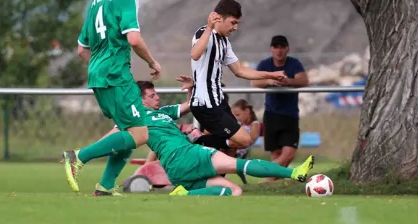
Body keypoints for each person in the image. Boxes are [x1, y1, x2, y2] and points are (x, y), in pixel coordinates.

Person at [100, 78, 315, 196]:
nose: (157, 97)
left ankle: (184, 194)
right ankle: (295, 173)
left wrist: (191, 88)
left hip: (176, 170)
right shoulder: (135, 118)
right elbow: (114, 135)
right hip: (186, 155)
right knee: (239, 164)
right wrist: (86, 154)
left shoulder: (162, 113)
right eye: (152, 95)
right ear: (141, 100)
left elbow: (189, 105)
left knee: (235, 191)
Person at [61, 0, 161, 196]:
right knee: (140, 134)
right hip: (117, 76)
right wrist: (152, 63)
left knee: (128, 129)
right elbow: (134, 40)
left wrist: (100, 66)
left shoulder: (94, 3)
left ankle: (105, 187)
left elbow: (81, 50)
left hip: (98, 76)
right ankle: (78, 156)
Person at [189, 0, 286, 153]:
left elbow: (240, 70)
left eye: (237, 24)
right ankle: (193, 141)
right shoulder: (204, 33)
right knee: (244, 140)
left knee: (233, 147)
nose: (235, 28)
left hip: (218, 102)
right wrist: (209, 27)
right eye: (233, 22)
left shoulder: (225, 42)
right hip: (205, 104)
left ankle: (214, 176)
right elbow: (195, 54)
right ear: (219, 18)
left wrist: (270, 75)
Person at [251, 35, 309, 181]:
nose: (279, 50)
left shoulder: (294, 63)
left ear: (287, 49)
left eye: (282, 47)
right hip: (271, 114)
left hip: (290, 115)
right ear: (271, 49)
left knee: (288, 154)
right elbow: (254, 82)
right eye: (276, 47)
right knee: (276, 154)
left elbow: (304, 80)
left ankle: (264, 180)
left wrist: (286, 81)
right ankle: (274, 185)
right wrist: (270, 80)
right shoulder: (265, 64)